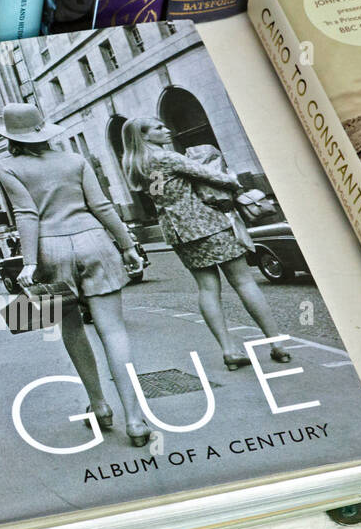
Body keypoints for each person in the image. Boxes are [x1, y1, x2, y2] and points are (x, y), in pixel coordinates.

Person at [0, 103, 150, 446]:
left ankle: (99, 406)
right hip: (95, 241)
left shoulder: (6, 166)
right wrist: (127, 246)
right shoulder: (74, 161)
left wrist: (29, 262)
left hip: (50, 250)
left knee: (72, 329)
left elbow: (26, 213)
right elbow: (102, 205)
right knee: (114, 332)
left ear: (10, 135)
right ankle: (135, 420)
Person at [120, 117, 290, 371]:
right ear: (143, 136)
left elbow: (159, 194)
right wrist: (231, 178)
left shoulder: (138, 164)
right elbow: (218, 178)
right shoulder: (168, 158)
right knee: (243, 281)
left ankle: (229, 350)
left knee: (207, 288)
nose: (167, 130)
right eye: (158, 128)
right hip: (207, 223)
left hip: (177, 230)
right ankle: (276, 344)